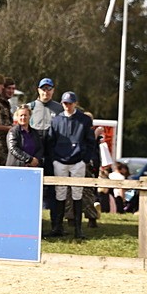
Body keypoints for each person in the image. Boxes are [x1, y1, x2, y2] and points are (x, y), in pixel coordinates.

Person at [44, 91, 98, 239]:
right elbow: (50, 141)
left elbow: (90, 141)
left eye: (70, 103)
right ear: (62, 103)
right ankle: (58, 227)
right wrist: (54, 159)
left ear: (75, 103)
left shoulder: (84, 120)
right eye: (65, 103)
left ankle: (78, 229)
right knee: (60, 193)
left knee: (77, 193)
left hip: (77, 161)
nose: (67, 106)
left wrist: (84, 159)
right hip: (60, 161)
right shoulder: (56, 120)